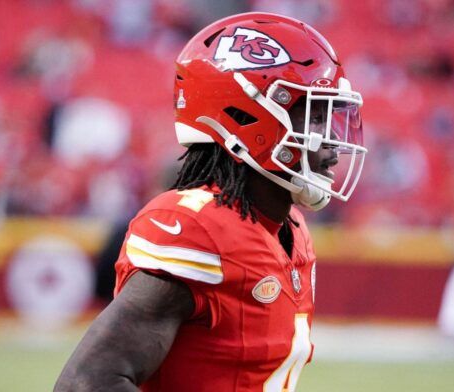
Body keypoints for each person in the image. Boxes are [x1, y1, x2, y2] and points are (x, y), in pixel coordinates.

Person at [55, 12, 367, 392]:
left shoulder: (292, 229)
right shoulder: (197, 228)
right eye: (314, 118)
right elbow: (87, 383)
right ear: (250, 118)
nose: (332, 143)